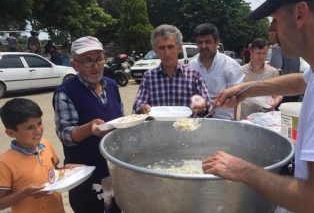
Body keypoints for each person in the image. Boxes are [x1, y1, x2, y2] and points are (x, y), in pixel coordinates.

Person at [202, 0, 314, 212]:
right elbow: (301, 81)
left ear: (299, 14)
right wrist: (245, 90)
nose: (272, 33)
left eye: (275, 20)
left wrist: (243, 171)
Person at [53, 36, 123, 213]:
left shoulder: (112, 86)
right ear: (75, 64)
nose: (95, 65)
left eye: (99, 59)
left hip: (112, 171)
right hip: (85, 176)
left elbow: (120, 120)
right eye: (88, 61)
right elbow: (65, 134)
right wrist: (89, 128)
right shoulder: (66, 92)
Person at [0, 98, 73, 213]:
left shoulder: (46, 145)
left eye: (39, 123)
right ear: (10, 133)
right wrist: (25, 192)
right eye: (30, 127)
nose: (38, 130)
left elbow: (53, 173)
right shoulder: (5, 162)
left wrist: (66, 170)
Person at [133, 24, 211, 116]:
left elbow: (208, 106)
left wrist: (203, 105)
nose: (167, 53)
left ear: (179, 48)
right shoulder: (149, 77)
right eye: (162, 48)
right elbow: (137, 106)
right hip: (157, 129)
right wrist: (142, 108)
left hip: (187, 128)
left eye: (171, 47)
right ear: (155, 51)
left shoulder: (194, 76)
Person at [190, 23, 244, 120]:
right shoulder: (191, 66)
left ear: (216, 42)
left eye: (207, 42)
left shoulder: (230, 65)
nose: (203, 46)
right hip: (196, 121)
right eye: (200, 42)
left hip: (224, 121)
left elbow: (238, 95)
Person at [240, 38, 281, 119]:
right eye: (258, 53)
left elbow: (278, 94)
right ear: (251, 52)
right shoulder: (241, 71)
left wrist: (275, 103)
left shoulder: (273, 72)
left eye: (264, 53)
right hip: (246, 118)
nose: (261, 56)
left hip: (267, 118)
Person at [268, 29, 301, 103]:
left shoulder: (276, 47)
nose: (269, 37)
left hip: (283, 90)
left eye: (270, 34)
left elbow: (276, 69)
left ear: (275, 34)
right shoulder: (294, 47)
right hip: (296, 89)